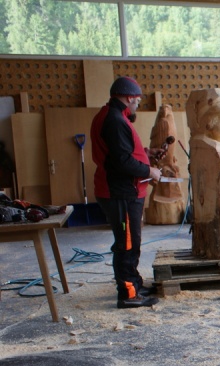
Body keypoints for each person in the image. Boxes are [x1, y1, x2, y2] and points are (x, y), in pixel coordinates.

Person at [91, 76, 162, 309]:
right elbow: (121, 162)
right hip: (120, 193)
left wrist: (146, 153)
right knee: (127, 245)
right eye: (137, 101)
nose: (137, 105)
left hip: (124, 191)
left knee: (132, 242)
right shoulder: (114, 120)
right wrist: (150, 171)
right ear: (130, 97)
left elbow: (122, 151)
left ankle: (134, 284)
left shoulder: (114, 115)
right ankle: (128, 294)